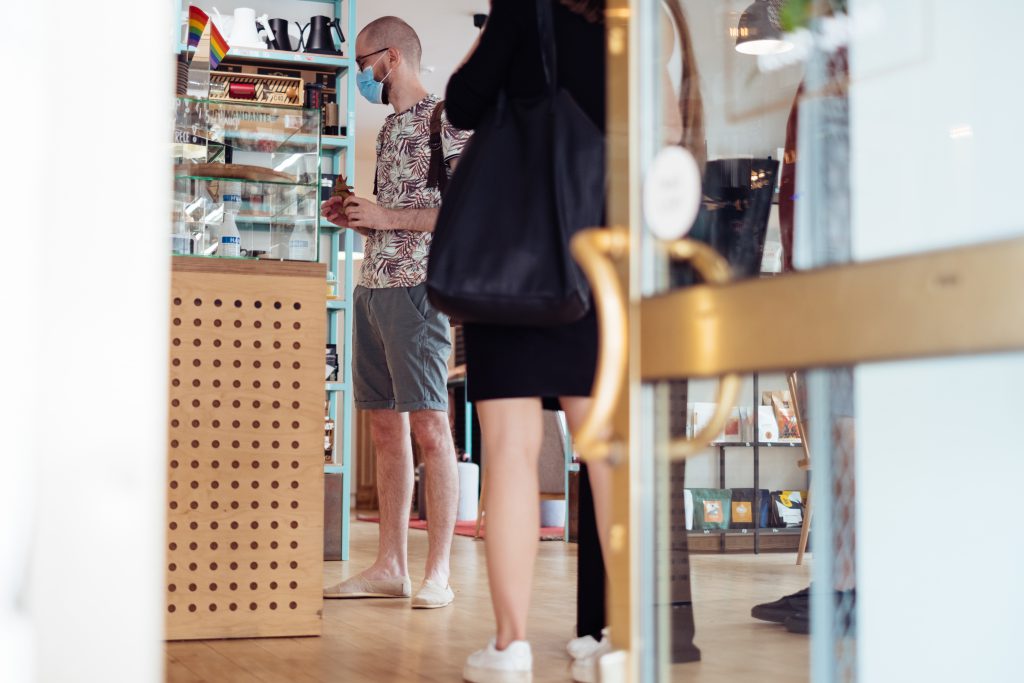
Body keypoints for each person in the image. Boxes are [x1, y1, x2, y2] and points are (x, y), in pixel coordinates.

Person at [444, 1, 612, 680]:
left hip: (514, 257)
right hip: (600, 250)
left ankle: (511, 643)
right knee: (605, 446)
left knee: (512, 449)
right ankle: (622, 634)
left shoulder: (523, 6)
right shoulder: (635, 17)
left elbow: (462, 103)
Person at [320, 16, 471, 610]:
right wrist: (358, 214)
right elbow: (395, 209)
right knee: (383, 427)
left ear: (389, 58)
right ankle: (389, 566)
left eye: (362, 63)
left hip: (419, 291)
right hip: (372, 288)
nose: (361, 75)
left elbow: (466, 212)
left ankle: (438, 574)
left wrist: (387, 219)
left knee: (430, 428)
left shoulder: (448, 120)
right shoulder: (387, 130)